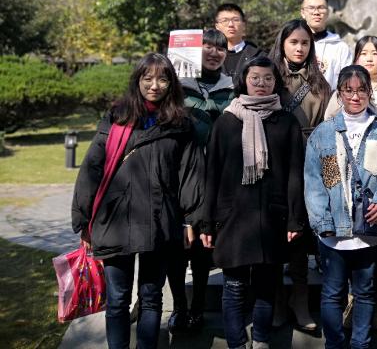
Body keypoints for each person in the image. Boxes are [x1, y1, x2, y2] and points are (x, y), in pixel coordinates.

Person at [71, 53, 204, 349]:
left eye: (162, 79)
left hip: (160, 219)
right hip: (115, 219)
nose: (155, 85)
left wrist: (190, 219)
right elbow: (92, 168)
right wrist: (83, 219)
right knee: (118, 299)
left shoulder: (181, 123)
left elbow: (190, 174)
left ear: (171, 83)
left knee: (151, 297)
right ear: (137, 81)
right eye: (148, 78)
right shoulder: (117, 117)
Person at [200, 56, 307, 349]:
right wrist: (207, 222)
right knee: (233, 287)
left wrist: (295, 219)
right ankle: (236, 343)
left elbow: (295, 174)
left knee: (266, 287)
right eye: (255, 78)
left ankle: (260, 340)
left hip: (272, 217)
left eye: (268, 78)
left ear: (276, 82)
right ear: (244, 81)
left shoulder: (286, 122)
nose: (261, 83)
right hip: (232, 217)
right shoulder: (226, 122)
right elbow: (212, 174)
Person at [304, 65, 377, 349]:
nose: (355, 96)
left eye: (361, 90)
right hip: (334, 232)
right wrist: (324, 223)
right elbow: (318, 181)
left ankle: (360, 344)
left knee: (365, 292)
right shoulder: (325, 133)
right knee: (332, 292)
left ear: (370, 92)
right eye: (348, 90)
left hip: (369, 229)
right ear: (340, 94)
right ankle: (334, 344)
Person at [324, 35, 377, 329]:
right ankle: (353, 302)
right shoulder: (340, 94)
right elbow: (326, 140)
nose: (370, 58)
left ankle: (376, 302)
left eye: (375, 53)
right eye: (364, 53)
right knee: (346, 246)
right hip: (345, 184)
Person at [166, 29, 235, 332]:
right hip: (180, 173)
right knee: (177, 245)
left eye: (220, 48)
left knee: (203, 245)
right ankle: (179, 307)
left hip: (215, 175)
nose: (213, 53)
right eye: (207, 46)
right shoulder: (177, 84)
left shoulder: (231, 88)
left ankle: (197, 308)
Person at [269, 18, 332, 331]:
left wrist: (332, 179)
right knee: (275, 229)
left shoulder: (321, 83)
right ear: (282, 43)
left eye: (305, 43)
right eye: (293, 42)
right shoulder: (269, 77)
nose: (299, 48)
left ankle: (300, 300)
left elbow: (330, 130)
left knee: (302, 231)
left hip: (312, 160)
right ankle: (277, 300)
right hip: (275, 161)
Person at [300, 0, 353, 90]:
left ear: (328, 12)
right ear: (303, 13)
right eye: (311, 8)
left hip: (330, 99)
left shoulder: (340, 47)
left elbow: (346, 82)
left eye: (321, 8)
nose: (316, 12)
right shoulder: (293, 44)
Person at [214, 3, 265, 78]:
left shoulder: (259, 56)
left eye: (235, 20)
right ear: (217, 26)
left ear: (243, 25)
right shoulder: (207, 56)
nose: (231, 25)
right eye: (225, 20)